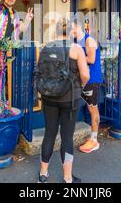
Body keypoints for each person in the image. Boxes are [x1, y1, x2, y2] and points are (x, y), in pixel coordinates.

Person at [37, 19, 90, 183]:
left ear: (56, 31)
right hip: (69, 99)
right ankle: (67, 178)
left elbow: (41, 71)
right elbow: (86, 75)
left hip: (49, 97)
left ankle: (43, 174)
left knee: (49, 134)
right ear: (71, 32)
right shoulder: (76, 49)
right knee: (67, 137)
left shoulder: (45, 48)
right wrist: (79, 85)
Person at [71, 19, 103, 154]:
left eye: (71, 27)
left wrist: (76, 56)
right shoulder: (76, 42)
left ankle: (94, 140)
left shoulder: (89, 40)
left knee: (93, 111)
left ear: (78, 27)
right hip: (82, 80)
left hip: (91, 80)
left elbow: (91, 59)